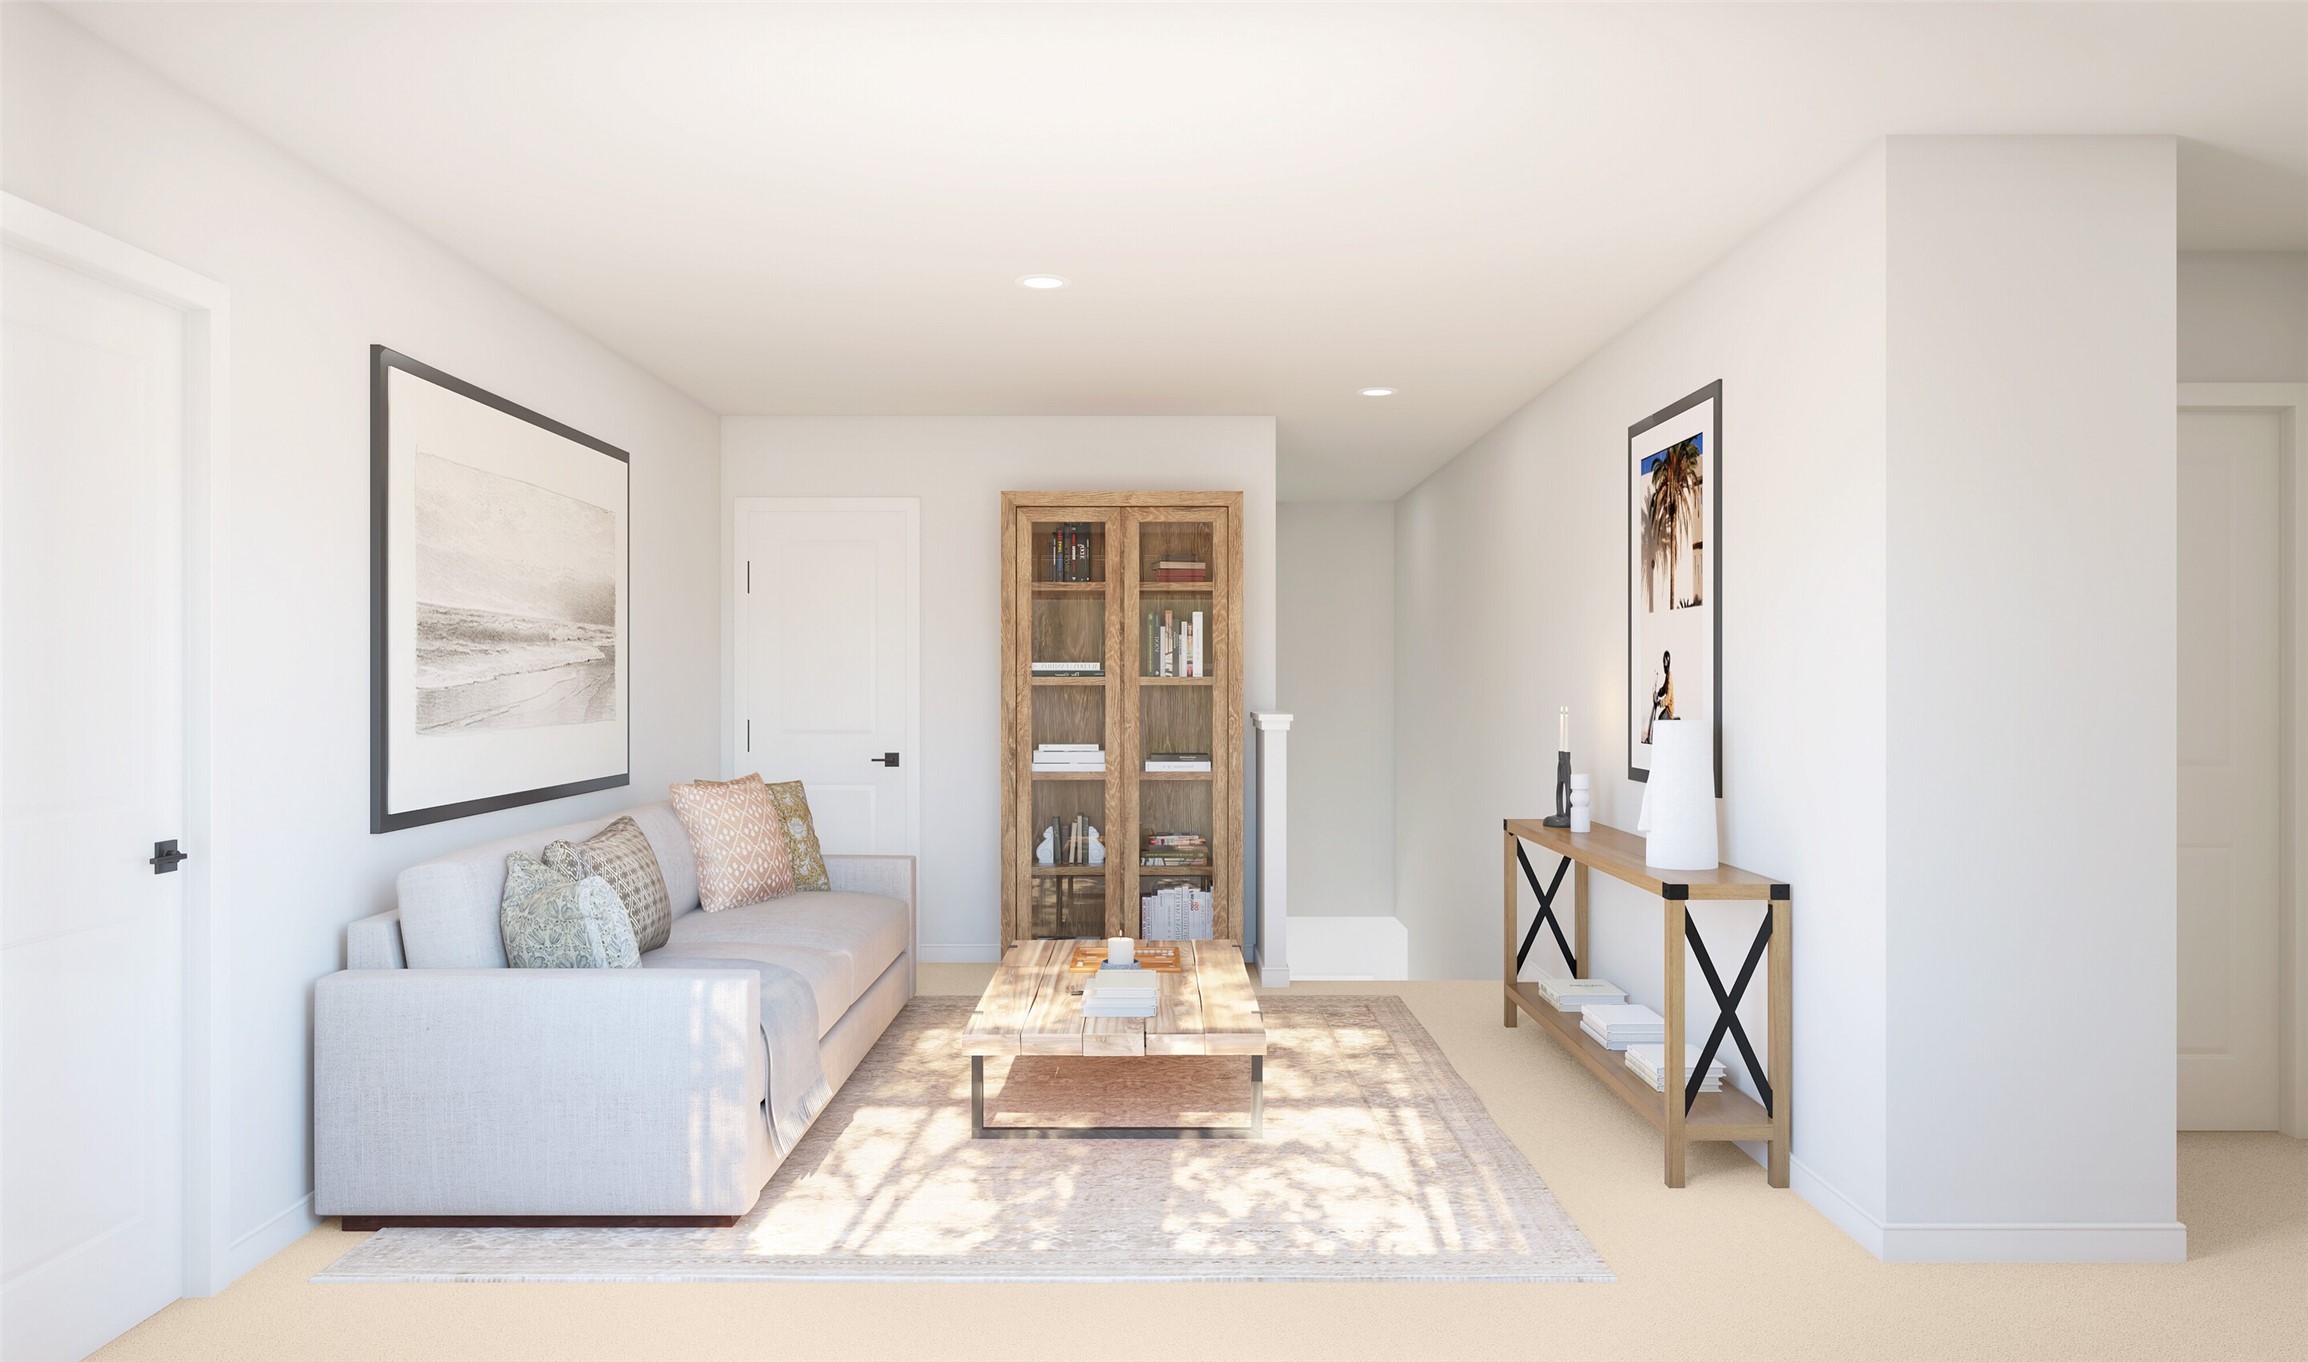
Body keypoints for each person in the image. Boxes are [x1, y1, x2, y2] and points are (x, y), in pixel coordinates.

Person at [1644, 650, 1674, 745]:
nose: (1664, 665)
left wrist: (1659, 702)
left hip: (1669, 711)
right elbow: (1664, 689)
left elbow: (1668, 696)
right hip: (1667, 708)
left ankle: (1659, 744)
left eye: (1666, 662)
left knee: (1659, 723)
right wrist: (1658, 693)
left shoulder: (1670, 676)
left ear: (1668, 662)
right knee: (1659, 719)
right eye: (1663, 662)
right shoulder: (1667, 676)